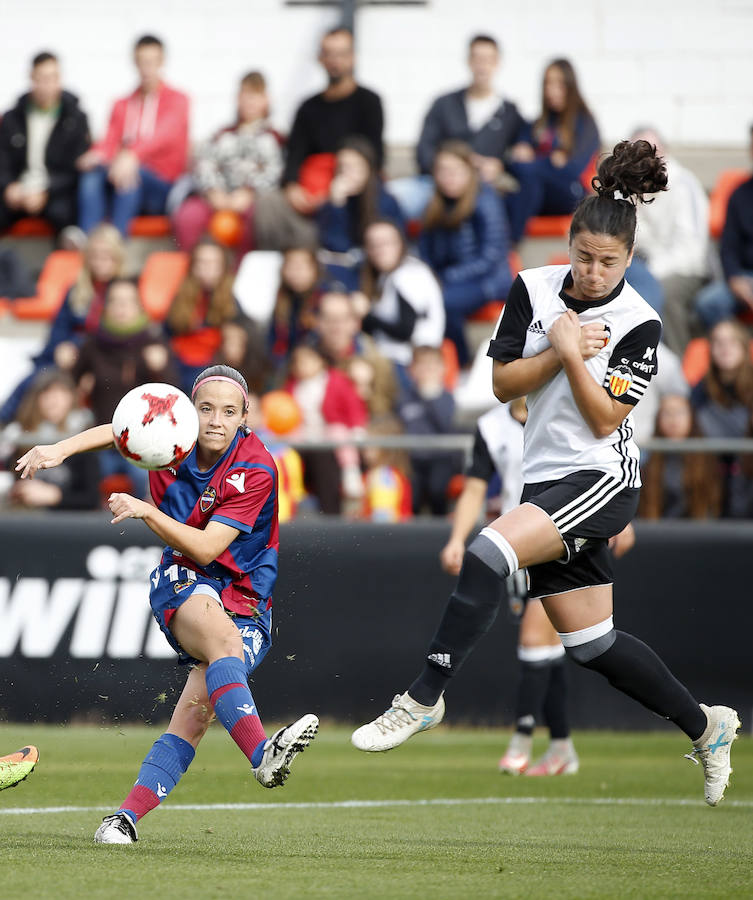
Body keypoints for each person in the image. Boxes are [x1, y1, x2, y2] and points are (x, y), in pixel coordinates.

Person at [352, 140, 740, 808]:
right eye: (583, 256)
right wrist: (556, 349)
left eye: (608, 262)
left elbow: (600, 420)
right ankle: (707, 727)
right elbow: (504, 383)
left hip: (601, 479)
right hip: (545, 478)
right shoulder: (531, 287)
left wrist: (567, 353)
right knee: (592, 645)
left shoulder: (638, 322)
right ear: (568, 242)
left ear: (627, 259)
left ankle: (422, 696)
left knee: (485, 551)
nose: (593, 272)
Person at [16, 364, 319, 844]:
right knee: (222, 646)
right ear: (190, 411)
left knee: (195, 715)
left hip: (247, 597)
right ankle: (262, 756)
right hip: (185, 577)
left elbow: (207, 545)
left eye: (228, 411)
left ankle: (122, 820)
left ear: (246, 417)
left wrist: (145, 510)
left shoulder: (256, 468)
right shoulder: (172, 437)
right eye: (205, 408)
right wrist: (59, 448)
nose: (215, 420)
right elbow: (120, 428)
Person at [439, 397, 578, 775]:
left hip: (563, 537)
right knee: (549, 645)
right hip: (516, 545)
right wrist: (457, 538)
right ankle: (562, 746)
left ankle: (521, 741)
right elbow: (475, 488)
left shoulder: (563, 408)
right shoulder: (491, 426)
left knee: (537, 638)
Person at [0, 222, 126, 424]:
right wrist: (60, 348)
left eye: (107, 256)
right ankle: (9, 427)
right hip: (65, 360)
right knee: (35, 379)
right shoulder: (75, 291)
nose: (100, 262)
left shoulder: (125, 291)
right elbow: (58, 330)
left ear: (117, 258)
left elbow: (123, 335)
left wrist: (82, 353)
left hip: (105, 359)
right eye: (95, 256)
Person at [390, 34, 526, 220]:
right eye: (477, 58)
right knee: (391, 196)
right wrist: (449, 170)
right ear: (469, 61)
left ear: (497, 63)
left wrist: (500, 166)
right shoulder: (444, 104)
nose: (482, 66)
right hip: (437, 186)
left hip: (483, 189)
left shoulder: (510, 113)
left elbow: (524, 153)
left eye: (488, 59)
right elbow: (424, 151)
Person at [73, 277, 178, 498]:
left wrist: (160, 370)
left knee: (146, 480)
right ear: (105, 307)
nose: (121, 308)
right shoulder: (92, 345)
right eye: (115, 301)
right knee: (85, 476)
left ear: (138, 306)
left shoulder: (154, 342)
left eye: (127, 302)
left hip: (144, 440)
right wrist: (79, 388)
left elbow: (176, 398)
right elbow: (70, 384)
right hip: (102, 439)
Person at [76, 35, 189, 236]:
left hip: (160, 186)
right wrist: (98, 155)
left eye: (151, 62)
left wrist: (131, 156)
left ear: (162, 62)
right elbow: (110, 141)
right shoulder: (122, 104)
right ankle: (87, 241)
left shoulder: (178, 101)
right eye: (141, 62)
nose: (146, 68)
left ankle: (114, 248)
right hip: (123, 176)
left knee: (130, 176)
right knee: (91, 176)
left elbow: (163, 135)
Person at [419, 140, 512, 366]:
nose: (448, 177)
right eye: (442, 170)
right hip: (449, 279)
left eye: (455, 170)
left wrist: (445, 278)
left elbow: (491, 256)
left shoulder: (485, 200)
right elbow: (425, 250)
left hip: (488, 281)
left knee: (443, 302)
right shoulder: (435, 204)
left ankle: (460, 362)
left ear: (469, 172)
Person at [173, 71, 283, 253]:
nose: (249, 102)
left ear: (266, 100)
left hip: (252, 200)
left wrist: (250, 192)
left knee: (255, 220)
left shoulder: (275, 138)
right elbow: (204, 164)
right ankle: (194, 272)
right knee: (188, 217)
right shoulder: (221, 135)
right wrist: (213, 192)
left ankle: (242, 275)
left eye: (255, 96)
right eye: (245, 95)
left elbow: (275, 171)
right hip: (218, 198)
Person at [282, 27, 383, 214]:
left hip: (354, 187)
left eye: (341, 54)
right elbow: (294, 153)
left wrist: (341, 185)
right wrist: (292, 186)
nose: (335, 61)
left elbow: (374, 154)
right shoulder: (308, 107)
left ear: (353, 57)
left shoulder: (369, 102)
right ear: (320, 58)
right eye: (329, 54)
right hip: (308, 190)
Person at [624, 127, 711, 338]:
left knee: (662, 293)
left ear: (665, 153)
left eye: (651, 152)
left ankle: (673, 364)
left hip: (685, 270)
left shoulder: (684, 185)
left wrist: (652, 271)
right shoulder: (626, 186)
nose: (645, 160)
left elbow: (691, 251)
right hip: (638, 265)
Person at [505, 59, 600, 244]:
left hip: (571, 194)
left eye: (559, 83)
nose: (552, 90)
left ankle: (511, 246)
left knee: (531, 179)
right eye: (548, 83)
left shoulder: (584, 123)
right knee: (511, 195)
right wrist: (550, 161)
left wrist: (535, 160)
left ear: (570, 86)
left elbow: (572, 169)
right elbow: (514, 165)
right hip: (539, 194)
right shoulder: (536, 125)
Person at [0, 51, 90, 235]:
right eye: (39, 78)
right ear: (31, 78)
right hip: (18, 191)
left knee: (66, 216)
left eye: (50, 78)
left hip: (54, 193)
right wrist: (9, 186)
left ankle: (65, 262)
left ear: (59, 79)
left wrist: (46, 191)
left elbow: (75, 169)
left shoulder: (75, 119)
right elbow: (3, 160)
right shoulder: (12, 118)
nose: (45, 85)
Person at [353, 219, 445, 383]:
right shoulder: (388, 276)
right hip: (400, 361)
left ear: (400, 244)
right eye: (373, 245)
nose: (380, 250)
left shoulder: (409, 274)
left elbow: (405, 330)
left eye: (386, 243)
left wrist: (368, 315)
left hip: (414, 365)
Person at [3, 371, 98, 511]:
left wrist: (55, 496)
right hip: (30, 517)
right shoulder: (22, 437)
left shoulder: (83, 437)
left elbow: (91, 497)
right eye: (47, 394)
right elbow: (15, 480)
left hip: (70, 520)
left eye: (60, 394)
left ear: (71, 398)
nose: (54, 401)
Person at [316, 136, 404, 287]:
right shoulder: (334, 203)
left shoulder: (385, 201)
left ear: (369, 169)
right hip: (345, 267)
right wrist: (337, 206)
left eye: (354, 167)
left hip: (377, 269)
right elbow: (336, 248)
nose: (347, 174)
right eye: (342, 168)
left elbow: (395, 246)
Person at [690, 318, 753, 518]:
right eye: (718, 342)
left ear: (744, 347)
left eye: (732, 342)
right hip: (711, 471)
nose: (725, 348)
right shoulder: (700, 390)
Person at [695, 125, 753, 329]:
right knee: (709, 303)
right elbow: (728, 247)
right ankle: (734, 355)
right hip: (746, 278)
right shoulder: (740, 195)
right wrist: (734, 279)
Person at [166, 238, 241, 392]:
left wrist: (235, 338)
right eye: (201, 263)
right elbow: (166, 333)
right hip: (179, 369)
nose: (207, 269)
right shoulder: (180, 297)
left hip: (213, 371)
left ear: (223, 267)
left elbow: (241, 330)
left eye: (213, 263)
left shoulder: (230, 301)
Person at [396, 345, 459, 517]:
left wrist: (431, 397)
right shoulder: (404, 398)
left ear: (442, 368)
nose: (427, 370)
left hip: (441, 457)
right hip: (412, 459)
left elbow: (446, 425)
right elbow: (399, 426)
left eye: (432, 365)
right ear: (412, 370)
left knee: (437, 489)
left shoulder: (448, 398)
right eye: (422, 365)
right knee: (410, 494)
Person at [638, 394, 721, 519]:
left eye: (679, 412)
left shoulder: (707, 463)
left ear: (692, 418)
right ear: (658, 419)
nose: (673, 419)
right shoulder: (647, 465)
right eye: (667, 413)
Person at [268, 246, 323, 369]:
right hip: (288, 366)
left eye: (300, 267)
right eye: (290, 267)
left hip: (318, 363)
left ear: (314, 269)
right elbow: (273, 343)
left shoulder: (323, 300)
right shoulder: (282, 300)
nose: (295, 273)